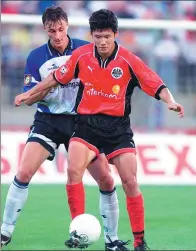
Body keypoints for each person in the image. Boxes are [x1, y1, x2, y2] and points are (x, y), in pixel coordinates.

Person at [14, 9, 185, 251]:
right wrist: (29, 94)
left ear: (115, 34)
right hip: (86, 125)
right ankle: (77, 232)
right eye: (97, 36)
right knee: (73, 170)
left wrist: (170, 101)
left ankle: (138, 241)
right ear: (91, 35)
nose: (102, 41)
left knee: (130, 181)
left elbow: (155, 83)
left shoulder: (128, 60)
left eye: (106, 36)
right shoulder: (81, 56)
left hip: (117, 129)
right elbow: (55, 78)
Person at [1, 6, 130, 251]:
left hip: (83, 121)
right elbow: (29, 99)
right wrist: (50, 84)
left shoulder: (86, 50)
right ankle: (5, 231)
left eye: (61, 29)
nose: (58, 35)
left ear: (67, 25)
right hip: (48, 120)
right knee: (24, 171)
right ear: (45, 30)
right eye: (52, 31)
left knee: (105, 178)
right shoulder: (36, 57)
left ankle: (112, 240)